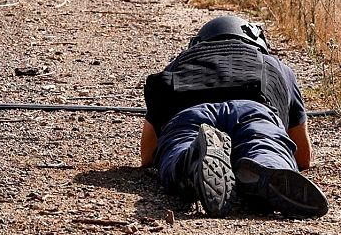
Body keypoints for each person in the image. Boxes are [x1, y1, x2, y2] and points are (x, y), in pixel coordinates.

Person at [139, 14, 329, 218]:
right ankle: (265, 168)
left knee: (181, 148)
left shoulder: (178, 64)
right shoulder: (276, 66)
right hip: (254, 111)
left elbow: (148, 153)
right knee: (265, 145)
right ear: (258, 42)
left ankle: (192, 162)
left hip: (190, 112)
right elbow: (303, 157)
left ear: (197, 43)